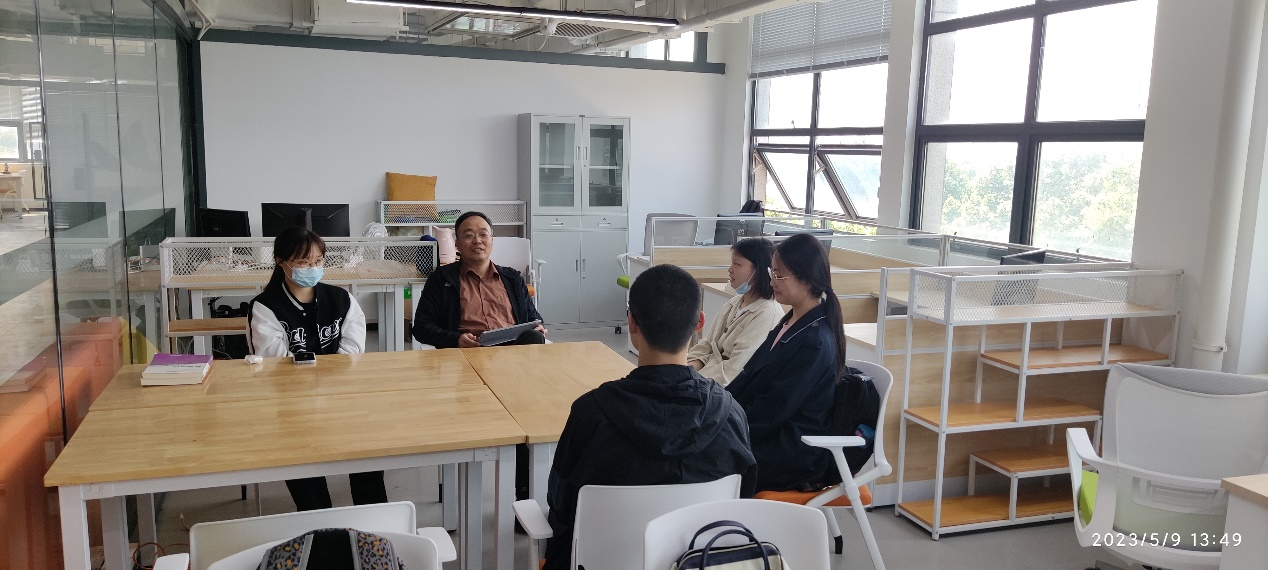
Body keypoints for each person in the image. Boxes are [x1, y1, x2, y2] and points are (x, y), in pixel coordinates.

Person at [543, 265, 757, 570]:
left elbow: (560, 502)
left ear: (631, 323)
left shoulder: (591, 413)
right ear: (700, 322)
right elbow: (741, 503)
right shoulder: (731, 414)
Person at [246, 226, 384, 511]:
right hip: (291, 405)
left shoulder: (341, 299)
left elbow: (353, 350)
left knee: (368, 456)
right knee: (305, 471)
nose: (312, 268)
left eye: (318, 261)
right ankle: (320, 524)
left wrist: (326, 380)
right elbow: (275, 361)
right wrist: (321, 376)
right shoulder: (265, 306)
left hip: (342, 400)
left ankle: (373, 520)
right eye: (303, 262)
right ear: (281, 262)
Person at [726, 233, 847, 492]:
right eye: (773, 272)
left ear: (807, 279)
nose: (772, 281)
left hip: (791, 450)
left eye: (780, 276)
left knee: (707, 457)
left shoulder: (815, 340)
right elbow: (749, 376)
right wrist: (719, 407)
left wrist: (728, 429)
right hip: (771, 433)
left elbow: (775, 408)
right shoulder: (790, 321)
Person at [411, 211, 546, 348]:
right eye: (469, 235)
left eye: (483, 234)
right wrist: (456, 339)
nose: (477, 241)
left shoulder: (512, 278)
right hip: (468, 352)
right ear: (457, 243)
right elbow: (421, 327)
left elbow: (534, 318)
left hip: (512, 351)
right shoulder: (441, 278)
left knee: (534, 336)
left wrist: (539, 326)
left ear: (492, 241)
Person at [687, 238, 785, 386]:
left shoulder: (767, 314)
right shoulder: (734, 303)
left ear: (758, 270)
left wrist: (691, 382)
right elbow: (708, 345)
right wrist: (684, 369)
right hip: (705, 380)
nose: (730, 269)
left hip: (724, 390)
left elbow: (734, 371)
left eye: (737, 264)